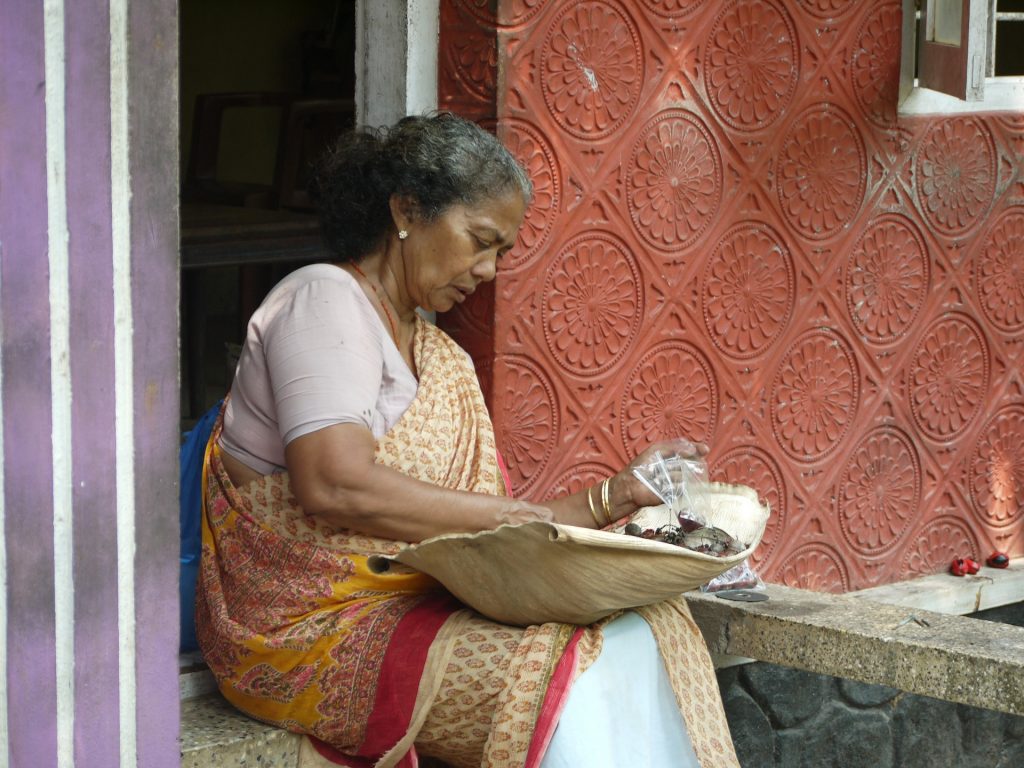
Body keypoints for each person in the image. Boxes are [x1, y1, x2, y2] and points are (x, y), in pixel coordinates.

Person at [195, 112, 739, 768]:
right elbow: (333, 483)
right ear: (406, 211)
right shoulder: (323, 300)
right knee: (571, 679)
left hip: (410, 605)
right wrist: (516, 517)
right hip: (308, 629)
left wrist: (617, 495)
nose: (487, 270)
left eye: (501, 252)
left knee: (643, 633)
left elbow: (490, 539)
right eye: (479, 240)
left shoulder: (438, 356)